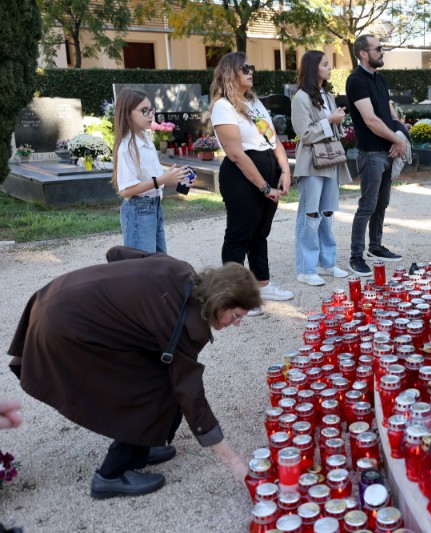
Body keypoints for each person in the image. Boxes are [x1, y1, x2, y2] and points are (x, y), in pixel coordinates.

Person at [7, 246, 260, 499]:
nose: (235, 324)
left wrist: (118, 302)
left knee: (157, 371)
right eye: (236, 315)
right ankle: (111, 475)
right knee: (147, 387)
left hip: (54, 295)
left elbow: (117, 253)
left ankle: (142, 445)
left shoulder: (181, 270)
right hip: (66, 329)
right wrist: (233, 461)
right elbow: (190, 392)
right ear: (219, 300)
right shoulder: (181, 323)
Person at [210, 52, 294, 315]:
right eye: (244, 68)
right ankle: (232, 296)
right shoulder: (223, 106)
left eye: (251, 67)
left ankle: (262, 284)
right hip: (241, 176)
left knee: (260, 231)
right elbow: (235, 152)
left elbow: (274, 140)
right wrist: (264, 187)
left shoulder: (254, 102)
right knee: (239, 234)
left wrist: (285, 171)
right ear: (230, 72)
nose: (251, 71)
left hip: (269, 169)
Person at [346, 34, 407, 276]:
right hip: (371, 153)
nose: (382, 52)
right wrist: (397, 140)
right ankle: (356, 256)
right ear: (363, 53)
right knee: (367, 206)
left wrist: (400, 133)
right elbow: (371, 120)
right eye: (378, 49)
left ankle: (375, 247)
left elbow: (390, 112)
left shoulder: (380, 79)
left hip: (389, 151)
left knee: (382, 204)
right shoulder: (356, 81)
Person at [291, 50, 353, 286]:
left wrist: (335, 119)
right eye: (325, 65)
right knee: (310, 214)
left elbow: (330, 128)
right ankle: (306, 268)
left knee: (327, 212)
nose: (329, 68)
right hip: (312, 161)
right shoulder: (301, 98)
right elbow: (305, 134)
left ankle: (327, 263)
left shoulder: (326, 95)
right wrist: (330, 121)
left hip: (331, 160)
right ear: (312, 68)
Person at [112, 88, 193, 253]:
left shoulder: (146, 138)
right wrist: (161, 180)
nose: (150, 115)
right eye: (144, 111)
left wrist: (175, 176)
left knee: (158, 262)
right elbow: (126, 191)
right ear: (128, 113)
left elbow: (152, 175)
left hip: (153, 207)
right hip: (138, 209)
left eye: (151, 110)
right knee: (142, 265)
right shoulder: (127, 146)